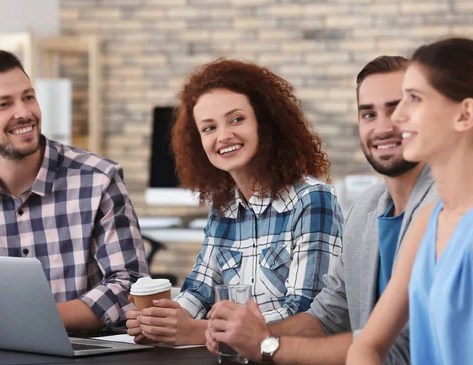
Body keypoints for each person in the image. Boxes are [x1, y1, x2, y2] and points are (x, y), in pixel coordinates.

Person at [205, 56, 437, 365]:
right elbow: (328, 317)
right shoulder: (365, 211)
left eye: (397, 109)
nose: (384, 126)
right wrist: (248, 333)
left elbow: (398, 348)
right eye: (369, 114)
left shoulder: (446, 209)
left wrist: (269, 345)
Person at [346, 38, 473, 365]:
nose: (398, 118)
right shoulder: (431, 219)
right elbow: (365, 348)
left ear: (464, 114)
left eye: (414, 99)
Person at [125, 58, 344, 345]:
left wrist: (199, 331)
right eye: (209, 128)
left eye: (237, 119)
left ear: (265, 124)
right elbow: (200, 290)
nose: (224, 136)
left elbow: (309, 316)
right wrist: (163, 320)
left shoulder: (312, 200)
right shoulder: (223, 208)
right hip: (235, 362)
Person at [0, 49, 149, 333]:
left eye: (28, 97)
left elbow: (131, 286)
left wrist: (32, 319)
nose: (24, 113)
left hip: (91, 360)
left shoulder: (98, 180)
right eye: (3, 104)